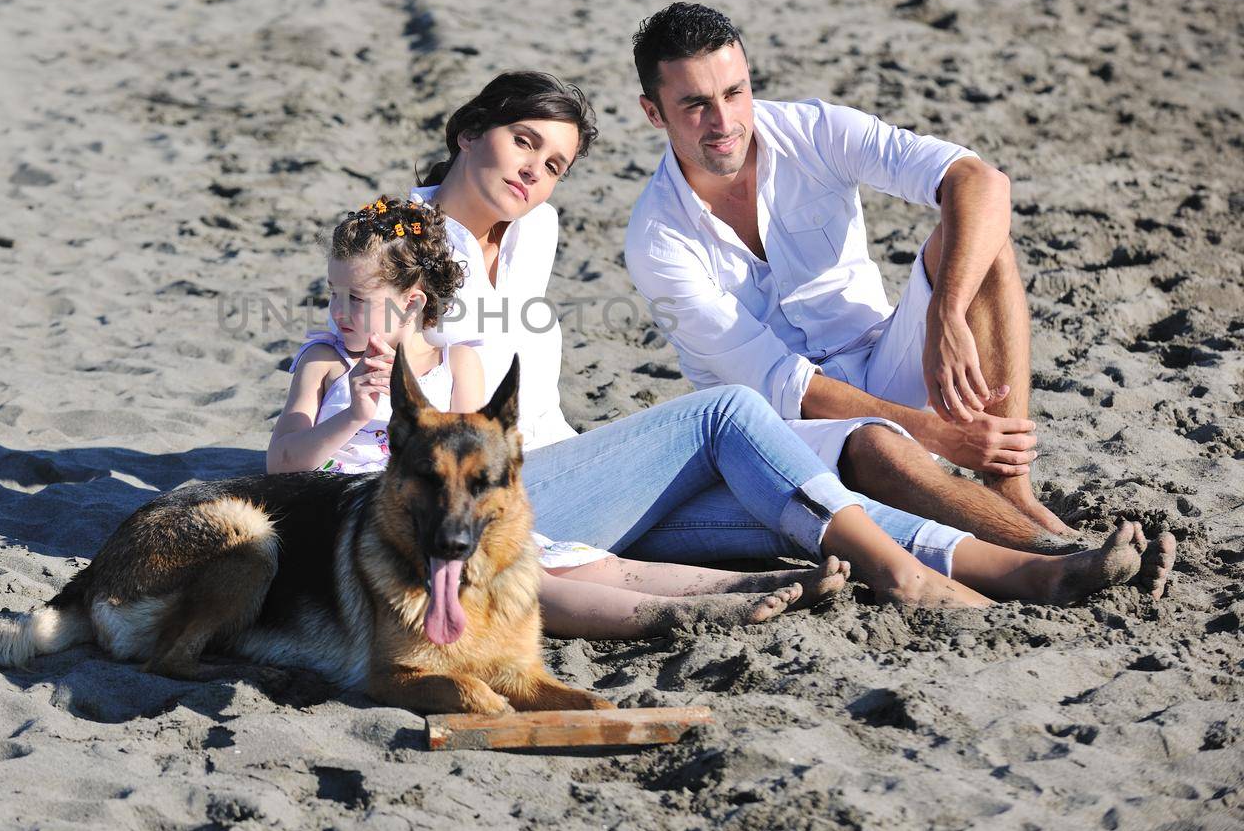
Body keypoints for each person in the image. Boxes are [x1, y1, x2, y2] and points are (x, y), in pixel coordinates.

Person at [414, 71, 1176, 614]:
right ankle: (912, 580)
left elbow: (980, 182)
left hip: (581, 490)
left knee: (808, 510)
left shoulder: (531, 229)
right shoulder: (403, 245)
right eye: (522, 143)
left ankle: (1043, 569)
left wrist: (944, 313)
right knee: (726, 414)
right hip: (489, 499)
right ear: (467, 131)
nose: (534, 173)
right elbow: (359, 381)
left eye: (554, 164)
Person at [623, 3, 1135, 557]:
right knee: (875, 444)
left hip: (884, 358)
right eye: (696, 105)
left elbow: (978, 180)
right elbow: (787, 388)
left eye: (734, 92)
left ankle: (1012, 491)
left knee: (979, 246)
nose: (724, 123)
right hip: (786, 428)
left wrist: (946, 314)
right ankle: (1052, 551)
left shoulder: (814, 130)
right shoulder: (657, 239)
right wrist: (941, 437)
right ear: (654, 113)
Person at [268, 195, 834, 636]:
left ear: (413, 302)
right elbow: (282, 463)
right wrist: (352, 417)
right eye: (334, 294)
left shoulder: (455, 362)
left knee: (583, 562)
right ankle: (681, 617)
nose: (339, 312)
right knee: (525, 582)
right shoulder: (325, 363)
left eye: (357, 299)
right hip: (364, 518)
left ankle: (756, 581)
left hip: (448, 512)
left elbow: (470, 461)